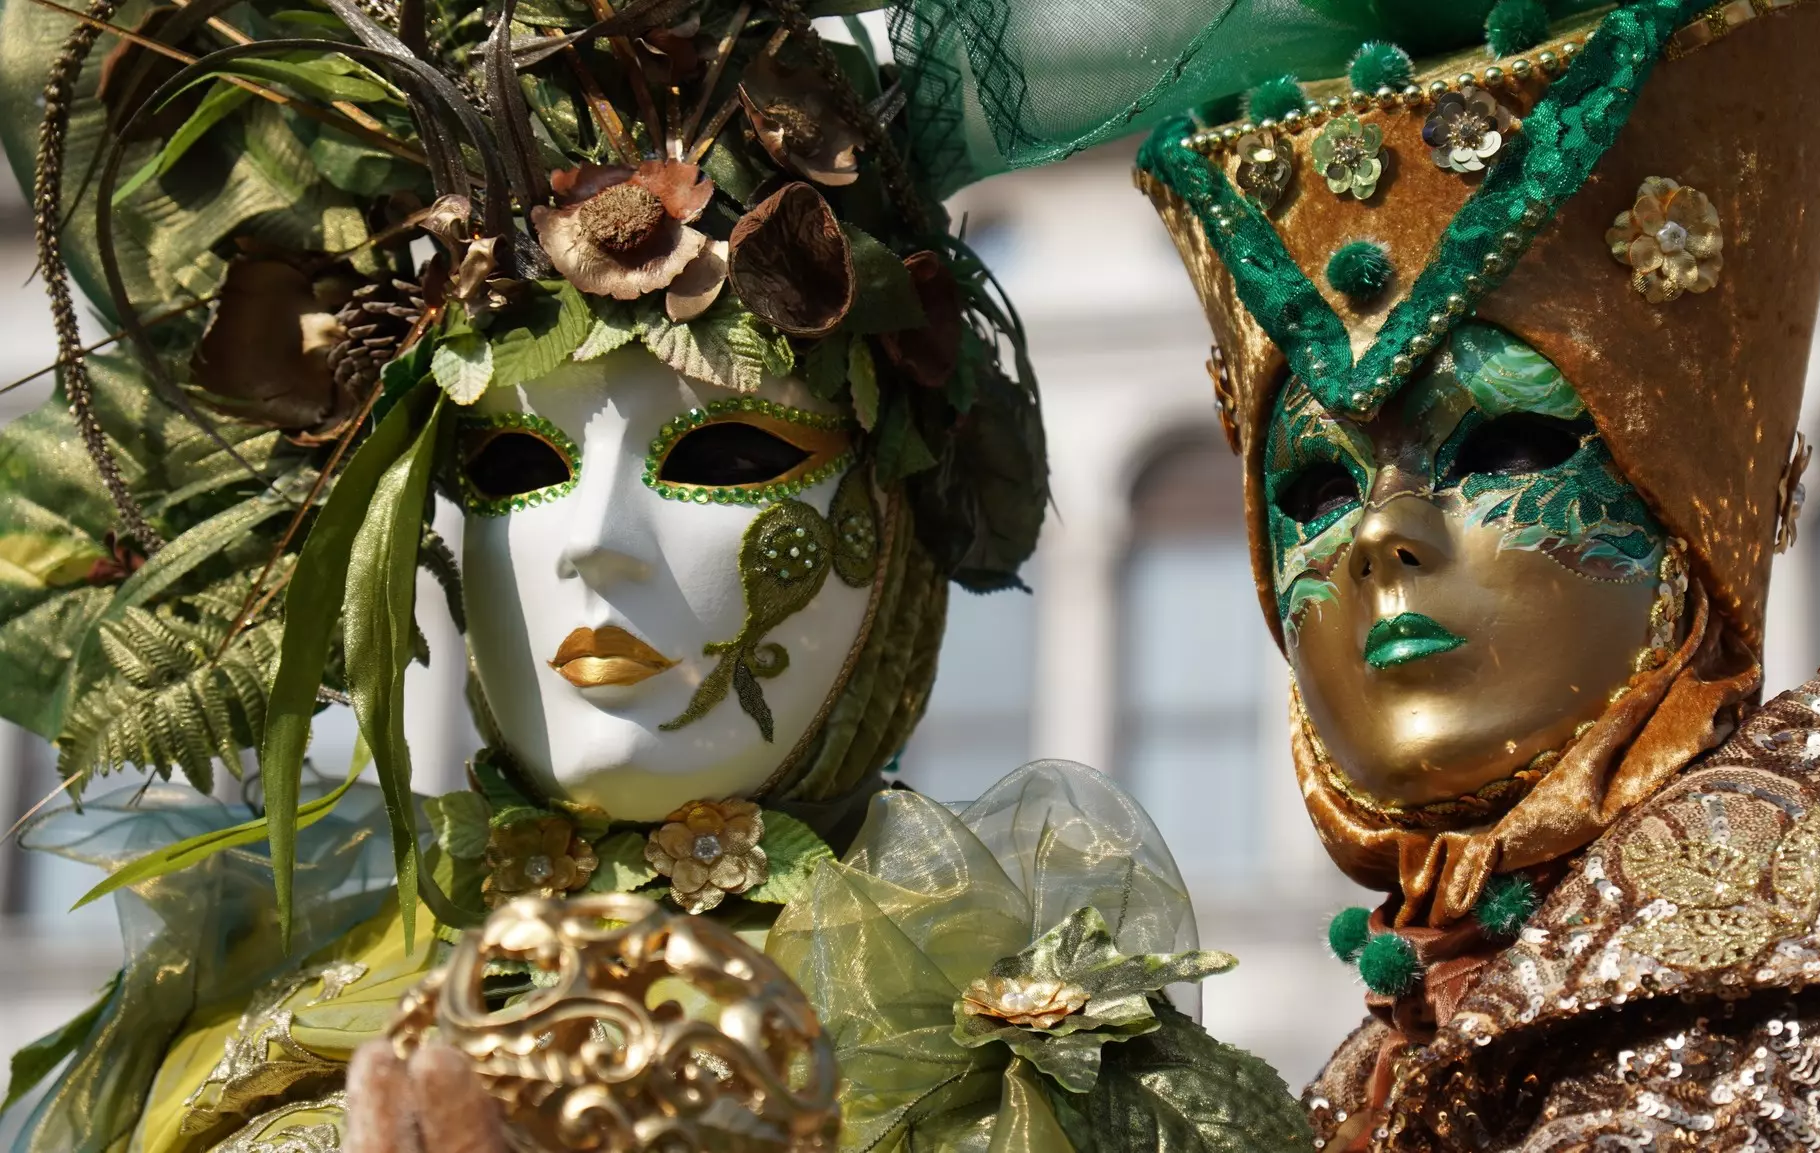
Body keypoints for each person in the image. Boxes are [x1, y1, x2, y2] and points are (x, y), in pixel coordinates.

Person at [0, 0, 1310, 1148]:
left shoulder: (1075, 1100)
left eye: (727, 453)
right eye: (516, 466)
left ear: (902, 517)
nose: (592, 539)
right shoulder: (264, 1076)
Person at [1114, 0, 1820, 1147]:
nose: (1376, 537)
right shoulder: (1348, 1096)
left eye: (1502, 450)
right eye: (1313, 493)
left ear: (1678, 519)